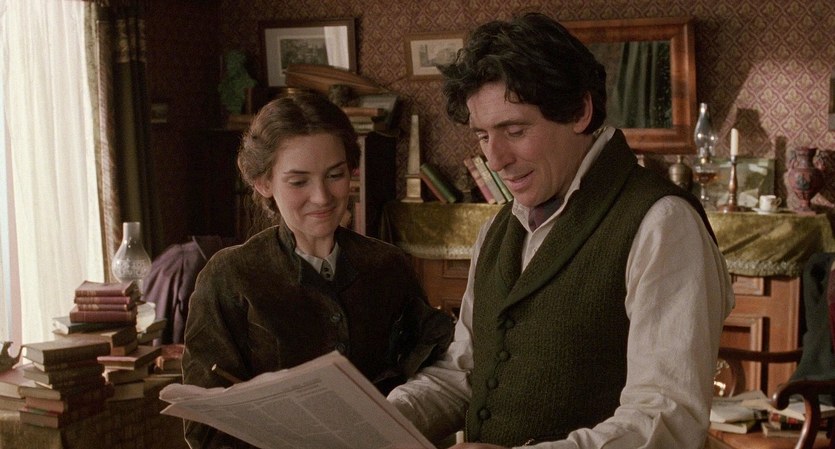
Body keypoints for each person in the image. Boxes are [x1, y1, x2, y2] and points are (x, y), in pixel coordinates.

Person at [387, 12, 735, 449]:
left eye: (515, 130)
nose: (495, 160)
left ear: (579, 112)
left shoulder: (662, 223)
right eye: (482, 136)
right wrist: (381, 417)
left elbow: (667, 419)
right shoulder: (496, 230)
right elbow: (465, 374)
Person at [181, 92, 454, 449]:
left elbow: (437, 375)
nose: (322, 197)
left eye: (335, 175)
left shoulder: (389, 265)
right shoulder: (229, 276)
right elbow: (205, 427)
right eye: (299, 181)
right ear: (263, 182)